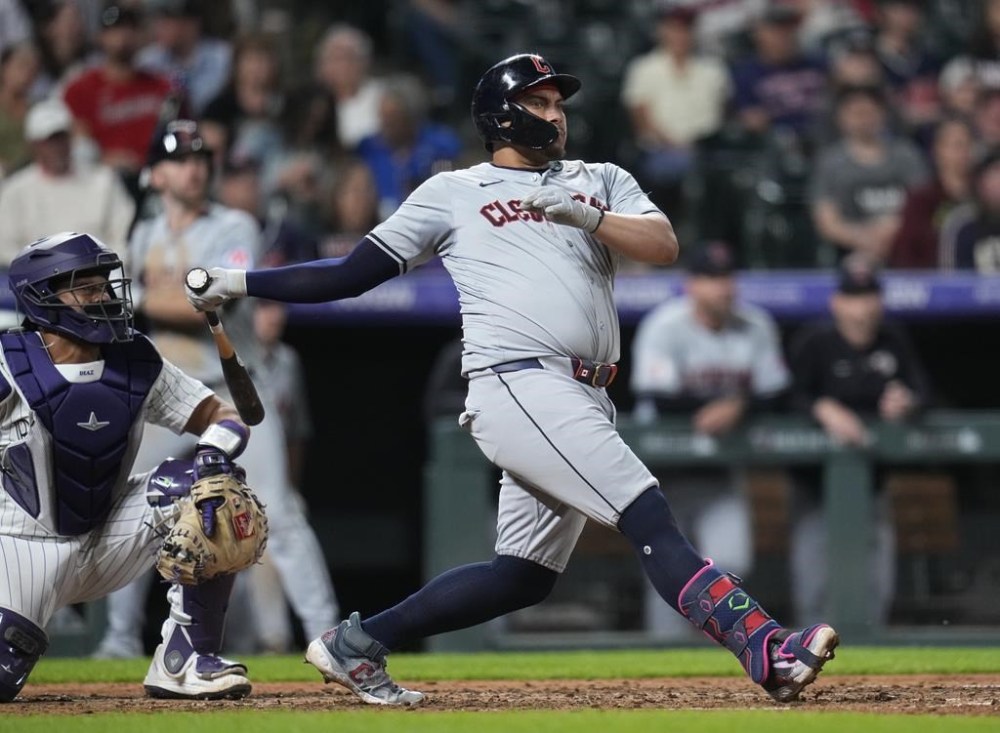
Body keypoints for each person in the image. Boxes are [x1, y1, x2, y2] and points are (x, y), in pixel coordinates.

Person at [184, 52, 840, 706]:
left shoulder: (600, 177)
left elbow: (664, 244)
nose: (556, 114)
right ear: (502, 115)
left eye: (559, 103)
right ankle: (765, 643)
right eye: (540, 102)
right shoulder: (452, 191)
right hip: (520, 382)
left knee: (520, 577)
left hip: (585, 389)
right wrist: (238, 281)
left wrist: (586, 215)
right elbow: (348, 274)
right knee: (646, 511)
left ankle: (355, 642)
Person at [91, 118, 339, 659]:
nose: (195, 168)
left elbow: (205, 303)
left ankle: (329, 634)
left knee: (280, 509)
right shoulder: (142, 234)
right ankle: (116, 640)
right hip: (172, 395)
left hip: (237, 389)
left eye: (201, 159)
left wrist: (134, 301)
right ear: (156, 174)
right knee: (129, 507)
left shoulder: (234, 226)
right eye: (180, 159)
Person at [0, 230, 255, 701]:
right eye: (86, 287)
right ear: (43, 298)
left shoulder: (136, 358)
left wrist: (213, 453)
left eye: (104, 285)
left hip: (108, 536)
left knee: (215, 490)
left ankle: (184, 661)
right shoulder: (7, 364)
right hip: (18, 549)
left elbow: (224, 417)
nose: (103, 297)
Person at [629, 241, 791, 640]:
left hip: (720, 473)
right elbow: (659, 395)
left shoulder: (755, 325)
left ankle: (715, 658)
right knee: (666, 569)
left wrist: (737, 405)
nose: (722, 288)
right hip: (661, 476)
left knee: (733, 559)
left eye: (726, 278)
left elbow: (778, 391)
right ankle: (664, 662)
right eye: (710, 279)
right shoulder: (664, 325)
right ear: (690, 285)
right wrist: (721, 406)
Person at [786, 252, 932, 627]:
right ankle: (809, 660)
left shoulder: (892, 339)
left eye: (868, 297)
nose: (862, 307)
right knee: (814, 587)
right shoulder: (815, 341)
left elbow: (924, 392)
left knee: (875, 588)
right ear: (837, 302)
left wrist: (907, 401)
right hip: (813, 486)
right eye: (853, 297)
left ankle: (867, 674)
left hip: (872, 483)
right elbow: (785, 396)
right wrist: (822, 407)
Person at [0, 96, 136, 266]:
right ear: (34, 145)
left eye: (61, 138)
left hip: (98, 275)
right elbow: (5, 248)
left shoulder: (104, 180)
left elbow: (124, 235)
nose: (57, 147)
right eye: (49, 140)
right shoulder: (15, 190)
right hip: (38, 283)